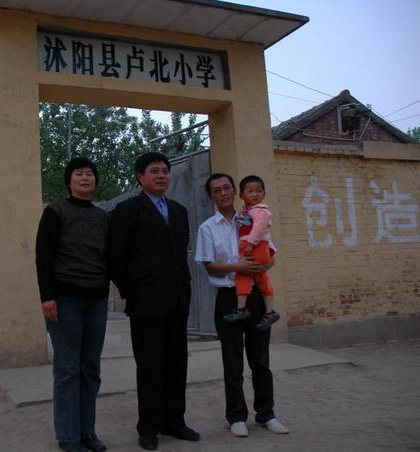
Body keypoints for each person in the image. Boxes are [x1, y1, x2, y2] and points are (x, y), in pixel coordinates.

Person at [108, 152, 200, 451]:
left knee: (177, 364)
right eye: (154, 171)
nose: (161, 175)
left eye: (165, 171)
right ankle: (148, 427)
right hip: (146, 301)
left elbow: (179, 252)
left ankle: (175, 421)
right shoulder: (128, 210)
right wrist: (132, 290)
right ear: (140, 177)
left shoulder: (179, 210)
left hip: (177, 300)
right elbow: (116, 257)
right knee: (149, 366)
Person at [194, 173, 289, 438]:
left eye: (227, 188)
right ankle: (236, 416)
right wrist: (237, 266)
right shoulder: (207, 228)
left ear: (236, 191)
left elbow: (270, 252)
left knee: (260, 359)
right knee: (232, 361)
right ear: (210, 196)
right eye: (216, 190)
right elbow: (209, 265)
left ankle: (266, 413)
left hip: (256, 296)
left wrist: (262, 267)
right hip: (228, 299)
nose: (223, 193)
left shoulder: (251, 218)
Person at [35, 157, 110, 452]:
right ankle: (68, 436)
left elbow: (109, 256)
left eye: (90, 174)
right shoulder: (56, 211)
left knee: (90, 368)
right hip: (65, 300)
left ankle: (87, 431)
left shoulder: (102, 216)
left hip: (96, 300)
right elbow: (44, 255)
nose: (85, 178)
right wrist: (47, 296)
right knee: (68, 368)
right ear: (69, 180)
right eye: (79, 174)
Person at [223, 175, 281, 331]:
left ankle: (241, 308)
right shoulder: (249, 211)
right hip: (257, 247)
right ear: (241, 195)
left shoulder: (260, 210)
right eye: (250, 191)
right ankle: (270, 312)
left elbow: (259, 228)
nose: (255, 194)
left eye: (259, 191)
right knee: (262, 278)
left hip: (256, 247)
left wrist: (250, 244)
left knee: (243, 273)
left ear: (264, 193)